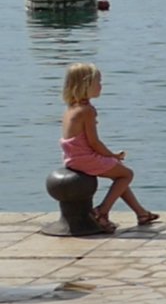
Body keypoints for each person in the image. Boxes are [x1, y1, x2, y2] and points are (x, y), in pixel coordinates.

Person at [59, 63, 157, 229]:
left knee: (119, 174)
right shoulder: (87, 111)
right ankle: (101, 211)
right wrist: (112, 155)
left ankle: (141, 213)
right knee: (126, 175)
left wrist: (110, 159)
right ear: (85, 85)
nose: (101, 86)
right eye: (98, 82)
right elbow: (94, 142)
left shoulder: (71, 108)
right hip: (84, 159)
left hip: (72, 158)